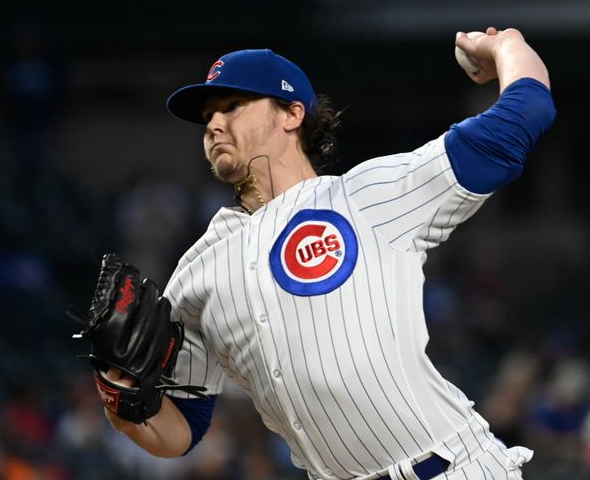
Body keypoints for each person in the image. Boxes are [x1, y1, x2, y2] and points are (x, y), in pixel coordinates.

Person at [102, 27, 556, 479]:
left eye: (232, 106)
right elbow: (183, 428)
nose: (214, 124)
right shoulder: (196, 272)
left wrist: (507, 45)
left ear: (291, 113)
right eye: (208, 115)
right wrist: (121, 405)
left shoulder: (368, 197)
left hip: (450, 468)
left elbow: (525, 113)